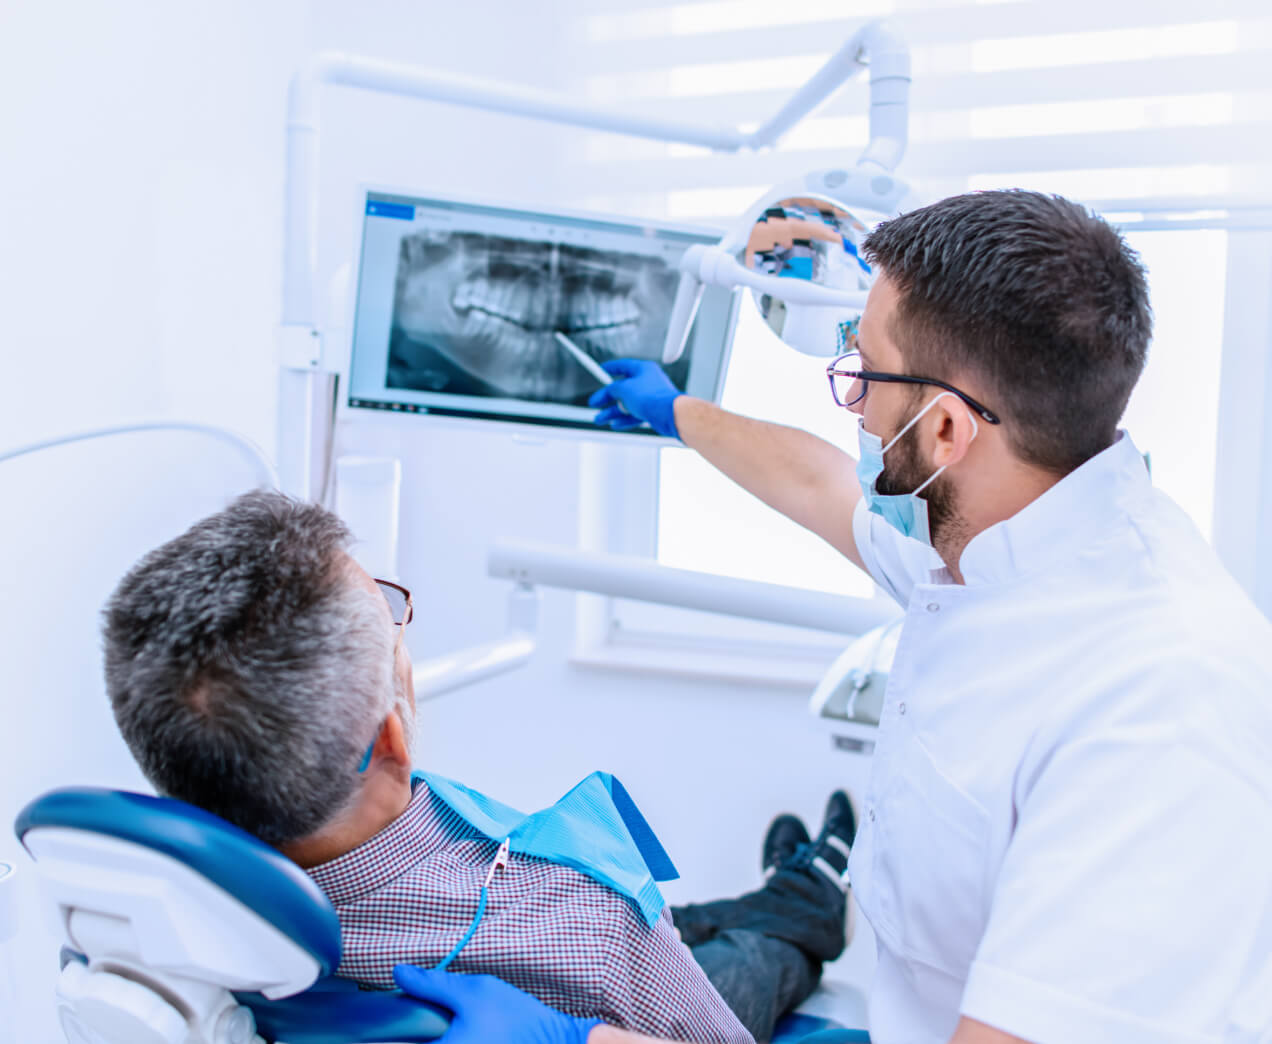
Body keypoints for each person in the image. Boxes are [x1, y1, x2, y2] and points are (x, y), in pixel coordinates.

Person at [449, 189, 1271, 1044]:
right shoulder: (999, 527)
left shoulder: (1161, 708)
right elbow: (819, 484)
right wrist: (679, 413)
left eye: (862, 374)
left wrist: (585, 1041)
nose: (855, 404)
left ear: (946, 429)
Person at [102, 489, 856, 1043]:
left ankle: (780, 892)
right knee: (748, 961)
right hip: (633, 988)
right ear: (390, 738)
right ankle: (807, 901)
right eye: (392, 618)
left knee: (679, 922)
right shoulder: (587, 924)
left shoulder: (169, 914)